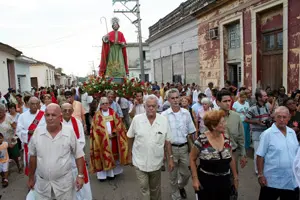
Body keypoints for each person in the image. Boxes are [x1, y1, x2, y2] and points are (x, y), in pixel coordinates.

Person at [27, 103, 85, 200]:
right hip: (43, 185)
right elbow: (33, 157)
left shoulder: (69, 132)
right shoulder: (37, 132)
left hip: (64, 185)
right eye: (47, 115)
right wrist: (31, 178)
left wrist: (80, 175)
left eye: (53, 115)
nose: (50, 118)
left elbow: (78, 155)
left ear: (60, 117)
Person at [127, 94, 174, 200]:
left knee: (155, 189)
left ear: (157, 106)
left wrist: (170, 158)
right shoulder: (137, 119)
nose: (151, 108)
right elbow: (130, 137)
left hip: (156, 162)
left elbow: (167, 141)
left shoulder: (163, 120)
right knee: (144, 188)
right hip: (139, 161)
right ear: (144, 106)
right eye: (149, 106)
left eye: (153, 106)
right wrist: (129, 154)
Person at [190, 110, 238, 200]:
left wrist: (235, 178)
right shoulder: (202, 140)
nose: (225, 124)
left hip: (225, 182)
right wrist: (195, 179)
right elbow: (192, 159)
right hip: (206, 182)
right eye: (222, 122)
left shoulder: (227, 138)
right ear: (213, 126)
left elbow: (231, 158)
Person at [257, 106, 299, 200]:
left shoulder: (292, 133)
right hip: (272, 180)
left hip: (290, 180)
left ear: (289, 118)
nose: (281, 120)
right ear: (274, 118)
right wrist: (260, 174)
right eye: (279, 117)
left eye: (284, 117)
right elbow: (260, 155)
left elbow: (296, 155)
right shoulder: (267, 134)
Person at [162, 88, 196, 200]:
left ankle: (180, 186)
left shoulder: (186, 113)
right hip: (170, 148)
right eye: (172, 98)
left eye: (177, 97)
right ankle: (176, 196)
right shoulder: (164, 115)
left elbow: (192, 132)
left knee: (186, 174)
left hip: (184, 148)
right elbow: (162, 136)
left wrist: (196, 148)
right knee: (172, 175)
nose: (175, 100)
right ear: (168, 100)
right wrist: (163, 154)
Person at [90, 97, 128, 181]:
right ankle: (102, 176)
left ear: (109, 104)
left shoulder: (113, 113)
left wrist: (114, 133)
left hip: (112, 139)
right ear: (100, 105)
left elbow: (119, 125)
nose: (105, 105)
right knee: (102, 156)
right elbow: (94, 128)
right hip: (101, 141)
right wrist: (104, 135)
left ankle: (111, 174)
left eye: (106, 103)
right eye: (103, 103)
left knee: (112, 156)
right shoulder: (97, 115)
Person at [61, 103, 92, 200]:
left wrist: (72, 148)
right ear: (61, 111)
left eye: (69, 110)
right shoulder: (57, 123)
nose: (67, 112)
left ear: (72, 111)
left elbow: (82, 140)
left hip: (76, 157)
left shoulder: (77, 122)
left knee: (81, 180)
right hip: (63, 158)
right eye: (64, 110)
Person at [16, 97, 45, 175]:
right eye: (32, 104)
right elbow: (18, 130)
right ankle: (32, 182)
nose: (34, 106)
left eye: (36, 104)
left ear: (39, 105)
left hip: (42, 144)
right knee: (31, 166)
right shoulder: (22, 116)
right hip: (29, 145)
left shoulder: (44, 115)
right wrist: (28, 132)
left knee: (42, 165)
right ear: (28, 105)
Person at [245, 89, 271, 174]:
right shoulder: (252, 108)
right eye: (264, 96)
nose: (266, 97)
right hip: (257, 134)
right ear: (259, 98)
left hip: (266, 132)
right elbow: (246, 119)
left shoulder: (267, 106)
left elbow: (269, 116)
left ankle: (264, 168)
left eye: (266, 95)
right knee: (257, 153)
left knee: (267, 152)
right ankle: (258, 171)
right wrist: (256, 122)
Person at [0, 103, 21, 174]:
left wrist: (14, 138)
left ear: (4, 111)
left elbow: (15, 128)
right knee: (3, 158)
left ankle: (19, 166)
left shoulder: (8, 117)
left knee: (15, 156)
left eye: (0, 112)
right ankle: (5, 172)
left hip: (11, 140)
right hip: (2, 143)